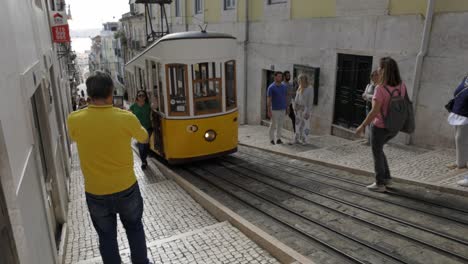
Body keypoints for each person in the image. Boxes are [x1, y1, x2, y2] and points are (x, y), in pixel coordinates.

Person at [67, 71, 151, 264]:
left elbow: (74, 136)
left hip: (95, 192)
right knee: (134, 228)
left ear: (89, 94)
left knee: (106, 237)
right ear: (111, 93)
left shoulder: (74, 119)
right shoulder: (125, 118)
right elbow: (144, 137)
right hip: (126, 188)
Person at [355, 57, 407, 192]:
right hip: (394, 126)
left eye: (379, 67)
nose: (377, 69)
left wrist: (362, 125)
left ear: (384, 70)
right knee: (379, 150)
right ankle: (387, 179)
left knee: (376, 153)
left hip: (380, 127)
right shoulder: (401, 85)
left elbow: (374, 111)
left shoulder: (380, 89)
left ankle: (380, 183)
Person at [447, 75, 468, 187]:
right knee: (458, 140)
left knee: (461, 140)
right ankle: (460, 163)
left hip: (466, 116)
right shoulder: (465, 78)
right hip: (458, 113)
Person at [130, 90, 152, 170]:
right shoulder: (133, 106)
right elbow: (130, 115)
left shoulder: (148, 106)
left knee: (145, 145)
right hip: (138, 128)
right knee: (141, 145)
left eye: (143, 95)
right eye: (140, 95)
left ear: (145, 97)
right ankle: (143, 161)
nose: (141, 97)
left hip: (148, 128)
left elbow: (155, 107)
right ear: (137, 97)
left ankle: (144, 159)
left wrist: (155, 96)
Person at [267, 71, 288, 145]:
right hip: (274, 109)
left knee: (280, 125)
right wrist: (269, 110)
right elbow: (269, 100)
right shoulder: (271, 87)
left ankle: (278, 139)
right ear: (275, 77)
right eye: (278, 76)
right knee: (273, 124)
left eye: (281, 76)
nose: (280, 78)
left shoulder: (284, 86)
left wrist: (286, 107)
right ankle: (271, 139)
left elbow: (285, 97)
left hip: (282, 109)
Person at [293, 74, 314, 145]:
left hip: (305, 109)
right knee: (297, 124)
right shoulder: (299, 87)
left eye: (300, 79)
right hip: (298, 109)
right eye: (298, 79)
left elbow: (310, 101)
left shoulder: (310, 88)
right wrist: (295, 106)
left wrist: (308, 111)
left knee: (306, 125)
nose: (298, 81)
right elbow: (296, 97)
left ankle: (305, 140)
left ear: (304, 80)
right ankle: (297, 139)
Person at [362, 70, 380, 144]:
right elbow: (363, 95)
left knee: (375, 125)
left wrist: (368, 96)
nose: (373, 77)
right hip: (368, 106)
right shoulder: (369, 85)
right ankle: (369, 140)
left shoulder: (379, 87)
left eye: (375, 75)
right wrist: (370, 97)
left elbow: (376, 97)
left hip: (375, 107)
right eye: (372, 75)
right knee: (369, 124)